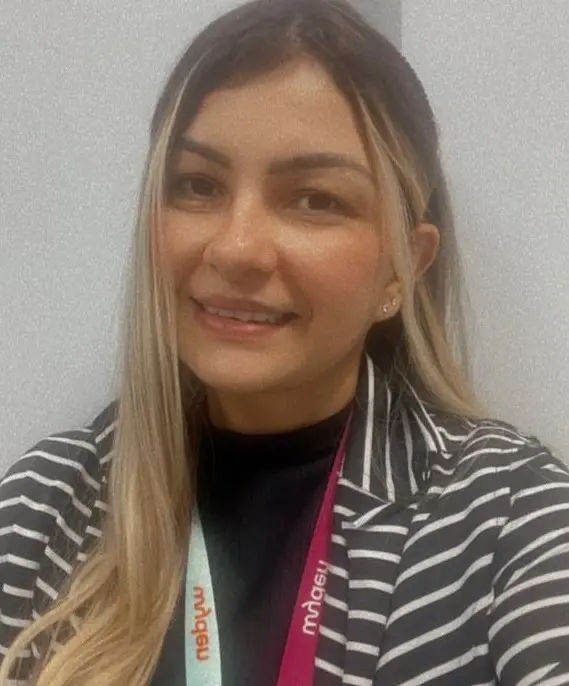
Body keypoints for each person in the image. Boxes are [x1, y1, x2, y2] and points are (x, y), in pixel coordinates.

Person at [1, 0, 569, 684]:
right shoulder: (45, 505)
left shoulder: (510, 519)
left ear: (402, 270)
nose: (236, 248)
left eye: (315, 199)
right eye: (197, 185)